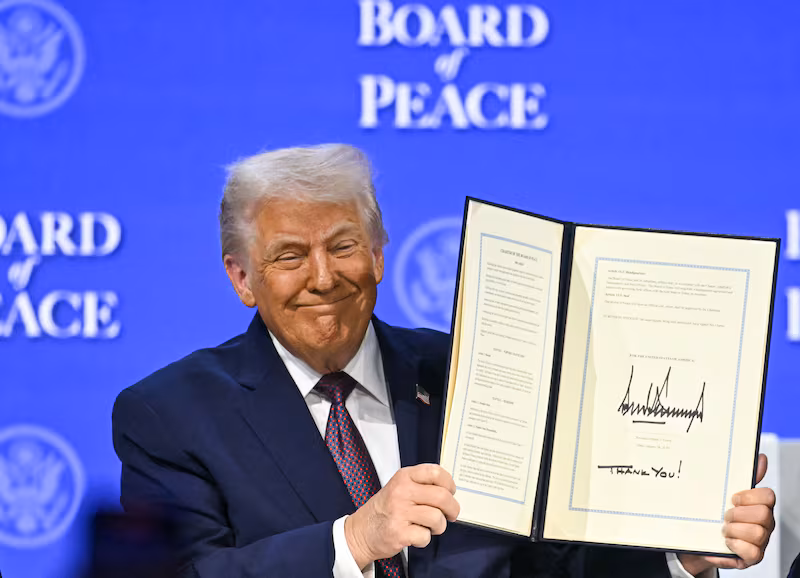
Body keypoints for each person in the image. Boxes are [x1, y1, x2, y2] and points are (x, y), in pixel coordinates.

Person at [113, 144, 775, 578]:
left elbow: (557, 561)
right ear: (242, 277)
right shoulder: (171, 414)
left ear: (378, 253)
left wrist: (680, 552)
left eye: (344, 245)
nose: (323, 277)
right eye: (289, 255)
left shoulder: (470, 372)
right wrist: (354, 538)